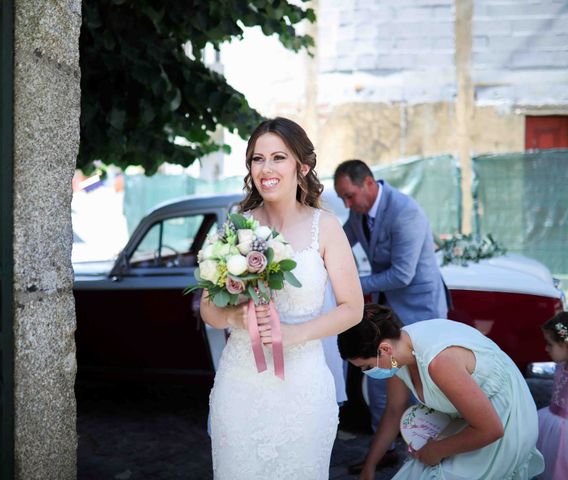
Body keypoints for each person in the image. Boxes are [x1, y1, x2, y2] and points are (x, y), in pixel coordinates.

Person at [200, 117, 364, 479]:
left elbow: (353, 309)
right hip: (240, 384)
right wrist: (232, 319)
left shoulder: (327, 227)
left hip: (302, 386)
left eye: (278, 157)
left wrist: (294, 335)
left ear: (301, 166)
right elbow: (208, 309)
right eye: (258, 159)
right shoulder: (235, 225)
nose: (266, 168)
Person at [337, 304, 545, 480]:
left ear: (384, 349)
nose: (367, 373)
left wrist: (436, 450)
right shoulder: (397, 355)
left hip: (503, 421)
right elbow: (393, 410)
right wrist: (370, 465)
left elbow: (491, 430)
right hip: (469, 420)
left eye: (366, 366)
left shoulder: (439, 362)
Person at [333, 159, 449, 473]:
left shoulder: (405, 212)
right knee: (378, 377)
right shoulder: (357, 212)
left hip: (421, 309)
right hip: (388, 311)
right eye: (342, 198)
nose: (347, 203)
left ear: (368, 183)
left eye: (349, 196)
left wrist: (351, 286)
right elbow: (337, 243)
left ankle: (428, 451)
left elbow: (401, 275)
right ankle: (383, 450)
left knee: (423, 383)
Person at [536, 311, 568, 480]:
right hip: (549, 422)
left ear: (565, 344)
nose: (546, 348)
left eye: (550, 344)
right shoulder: (561, 365)